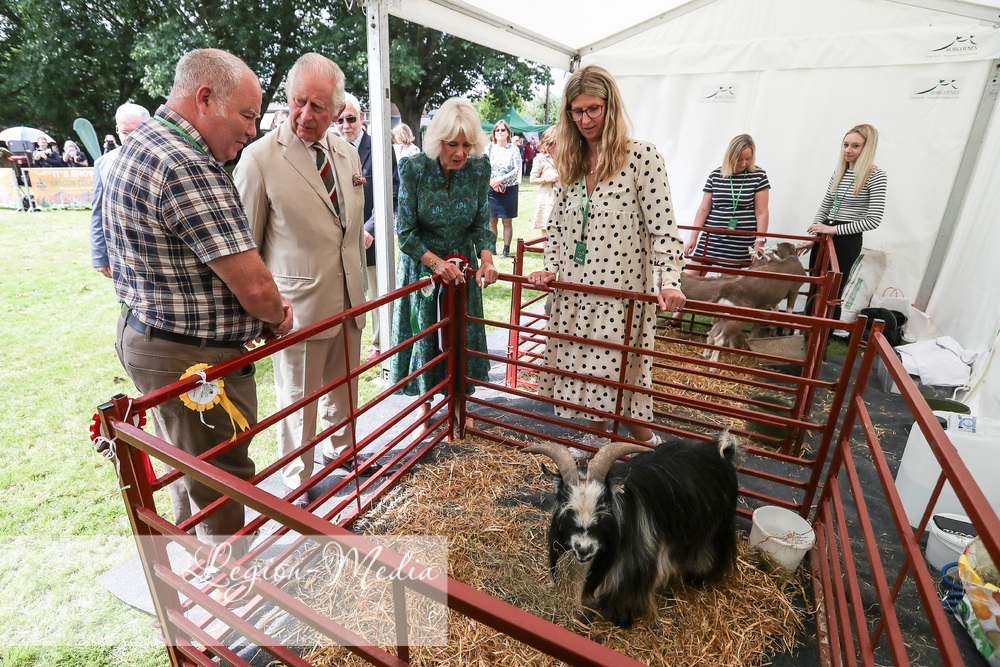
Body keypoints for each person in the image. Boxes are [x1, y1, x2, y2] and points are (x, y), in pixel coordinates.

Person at [104, 48, 293, 556]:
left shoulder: (142, 143)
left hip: (150, 332)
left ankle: (197, 558)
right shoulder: (187, 165)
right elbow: (254, 287)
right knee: (220, 472)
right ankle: (230, 586)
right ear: (205, 98)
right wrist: (279, 316)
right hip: (192, 354)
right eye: (247, 115)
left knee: (187, 459)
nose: (252, 130)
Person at [235, 53, 380, 505]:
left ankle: (345, 452)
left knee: (346, 388)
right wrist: (263, 316)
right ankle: (298, 479)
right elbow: (246, 248)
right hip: (295, 309)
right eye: (299, 102)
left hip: (348, 298)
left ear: (338, 111)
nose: (305, 115)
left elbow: (349, 229)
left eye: (319, 107)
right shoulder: (258, 159)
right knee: (298, 400)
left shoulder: (347, 151)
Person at [527, 64, 686, 451]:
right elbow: (559, 226)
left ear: (610, 106)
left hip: (619, 298)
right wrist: (549, 267)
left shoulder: (642, 158)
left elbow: (663, 229)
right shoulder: (571, 161)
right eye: (576, 111)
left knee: (622, 387)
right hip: (575, 295)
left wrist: (671, 281)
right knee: (585, 384)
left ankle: (653, 455)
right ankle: (601, 461)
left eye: (593, 109)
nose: (584, 119)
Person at [389, 97, 499, 439]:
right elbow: (404, 233)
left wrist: (488, 260)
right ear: (438, 141)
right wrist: (436, 265)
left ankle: (459, 407)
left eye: (467, 145)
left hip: (462, 270)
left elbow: (482, 221)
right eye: (453, 144)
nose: (460, 153)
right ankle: (425, 409)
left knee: (459, 337)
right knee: (427, 337)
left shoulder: (480, 169)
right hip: (423, 270)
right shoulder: (414, 170)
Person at [337, 93, 399, 362]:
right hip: (341, 239)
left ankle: (380, 344)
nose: (345, 125)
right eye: (339, 120)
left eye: (350, 118)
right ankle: (346, 343)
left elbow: (392, 193)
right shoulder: (331, 150)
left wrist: (370, 228)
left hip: (372, 236)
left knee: (377, 292)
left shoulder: (381, 148)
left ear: (361, 118)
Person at [806, 124, 886, 316]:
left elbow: (874, 220)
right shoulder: (839, 172)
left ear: (867, 148)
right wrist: (815, 235)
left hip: (846, 239)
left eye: (855, 146)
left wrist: (833, 230)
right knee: (815, 283)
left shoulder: (875, 176)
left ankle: (823, 336)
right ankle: (807, 329)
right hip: (826, 233)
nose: (848, 150)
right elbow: (825, 205)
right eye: (845, 144)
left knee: (833, 289)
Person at [684, 134, 770, 274]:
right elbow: (704, 209)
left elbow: (762, 212)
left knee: (727, 283)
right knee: (691, 277)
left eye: (748, 159)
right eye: (739, 159)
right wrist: (693, 237)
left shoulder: (759, 176)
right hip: (712, 237)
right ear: (730, 157)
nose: (744, 164)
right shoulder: (716, 175)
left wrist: (760, 241)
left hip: (739, 240)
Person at [90, 102, 151, 278]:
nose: (132, 139)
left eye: (138, 132)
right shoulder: (103, 164)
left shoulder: (165, 160)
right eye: (125, 133)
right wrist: (100, 256)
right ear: (117, 130)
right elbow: (98, 212)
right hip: (123, 254)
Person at [485, 119, 520, 259]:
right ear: (494, 133)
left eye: (503, 130)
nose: (500, 132)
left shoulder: (514, 149)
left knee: (507, 220)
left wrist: (501, 180)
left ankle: (506, 249)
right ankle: (492, 247)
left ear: (508, 133)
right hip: (492, 188)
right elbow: (484, 166)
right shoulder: (489, 148)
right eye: (497, 130)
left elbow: (516, 169)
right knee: (491, 220)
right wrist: (493, 182)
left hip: (509, 189)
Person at [529, 126, 559, 235]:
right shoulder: (540, 158)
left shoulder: (566, 157)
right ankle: (545, 252)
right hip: (547, 196)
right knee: (546, 227)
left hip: (563, 195)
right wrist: (547, 179)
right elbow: (532, 179)